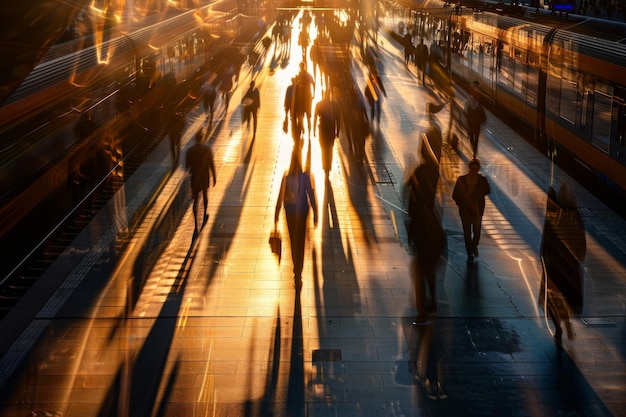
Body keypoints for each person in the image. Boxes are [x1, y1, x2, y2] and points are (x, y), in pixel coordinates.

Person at [540, 181, 586, 345]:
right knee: (565, 297)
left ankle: (559, 329)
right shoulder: (577, 216)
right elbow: (581, 242)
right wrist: (580, 259)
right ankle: (566, 324)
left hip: (554, 265)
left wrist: (543, 257)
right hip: (571, 266)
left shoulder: (553, 215)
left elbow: (546, 240)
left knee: (552, 298)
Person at [274, 150, 318, 285]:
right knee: (301, 242)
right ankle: (299, 270)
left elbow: (280, 196)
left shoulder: (286, 177)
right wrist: (316, 211)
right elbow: (311, 193)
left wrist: (276, 213)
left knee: (293, 241)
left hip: (290, 213)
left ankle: (296, 270)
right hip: (303, 213)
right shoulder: (304, 176)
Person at [452, 158, 490, 264]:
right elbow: (455, 195)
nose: (474, 171)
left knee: (477, 232)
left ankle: (472, 247)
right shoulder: (461, 180)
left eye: (476, 168)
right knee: (467, 233)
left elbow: (487, 190)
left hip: (477, 210)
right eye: (472, 168)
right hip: (465, 212)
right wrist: (461, 204)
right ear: (469, 168)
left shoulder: (482, 180)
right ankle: (470, 252)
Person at [185, 130, 217, 238]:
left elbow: (187, 166)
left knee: (195, 200)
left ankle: (195, 223)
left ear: (195, 138)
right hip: (204, 176)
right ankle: (205, 213)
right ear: (202, 138)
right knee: (205, 195)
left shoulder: (190, 150)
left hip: (194, 178)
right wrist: (214, 176)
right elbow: (211, 164)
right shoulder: (207, 149)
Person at [313, 90, 341, 178]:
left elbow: (315, 117)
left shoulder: (319, 104)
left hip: (323, 130)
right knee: (329, 149)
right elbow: (338, 120)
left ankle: (325, 166)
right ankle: (328, 166)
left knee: (324, 149)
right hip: (330, 130)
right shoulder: (335, 105)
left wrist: (313, 129)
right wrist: (338, 131)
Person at [464, 88, 486, 157]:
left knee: (471, 139)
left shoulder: (467, 103)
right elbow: (483, 116)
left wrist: (468, 118)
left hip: (471, 124)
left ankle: (474, 150)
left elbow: (464, 113)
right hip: (477, 125)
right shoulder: (478, 105)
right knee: (476, 139)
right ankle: (475, 152)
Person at [295, 61, 315, 135]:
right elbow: (313, 83)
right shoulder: (308, 75)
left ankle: (302, 127)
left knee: (301, 113)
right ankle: (309, 129)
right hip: (308, 96)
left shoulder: (300, 75)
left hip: (302, 96)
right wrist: (314, 93)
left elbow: (296, 82)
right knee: (308, 114)